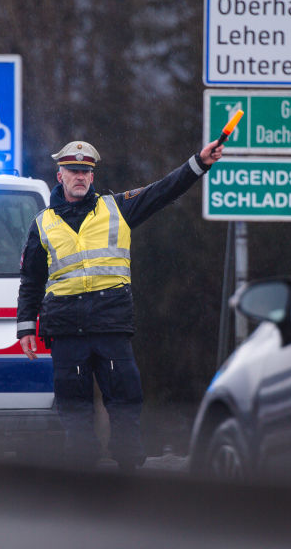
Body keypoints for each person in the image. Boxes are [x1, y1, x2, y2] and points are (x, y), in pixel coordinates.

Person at [16, 138, 225, 470]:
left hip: (110, 326)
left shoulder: (116, 208)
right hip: (67, 330)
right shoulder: (43, 224)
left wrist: (198, 163)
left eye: (86, 171)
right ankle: (84, 486)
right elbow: (31, 279)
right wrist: (26, 326)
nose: (80, 176)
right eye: (73, 170)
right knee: (75, 414)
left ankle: (130, 481)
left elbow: (163, 191)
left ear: (93, 176)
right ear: (60, 176)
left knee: (126, 406)